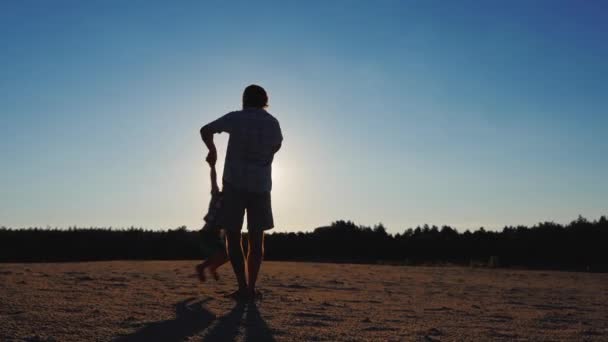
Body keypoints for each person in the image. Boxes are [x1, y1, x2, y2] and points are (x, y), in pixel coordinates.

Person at [200, 84, 283, 301]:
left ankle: (242, 287)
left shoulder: (235, 118)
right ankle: (251, 288)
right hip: (261, 186)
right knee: (257, 240)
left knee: (233, 237)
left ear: (244, 100)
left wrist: (212, 149)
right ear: (265, 100)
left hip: (234, 184)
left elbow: (205, 130)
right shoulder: (273, 123)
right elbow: (277, 146)